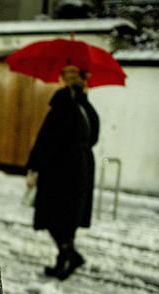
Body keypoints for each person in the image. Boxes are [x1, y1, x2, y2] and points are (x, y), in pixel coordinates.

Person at [25, 65, 99, 280]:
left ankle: (69, 254)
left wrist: (34, 166)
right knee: (69, 216)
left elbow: (46, 140)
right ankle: (62, 260)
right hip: (82, 166)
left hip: (59, 169)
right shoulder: (86, 107)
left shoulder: (62, 105)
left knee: (53, 215)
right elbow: (93, 137)